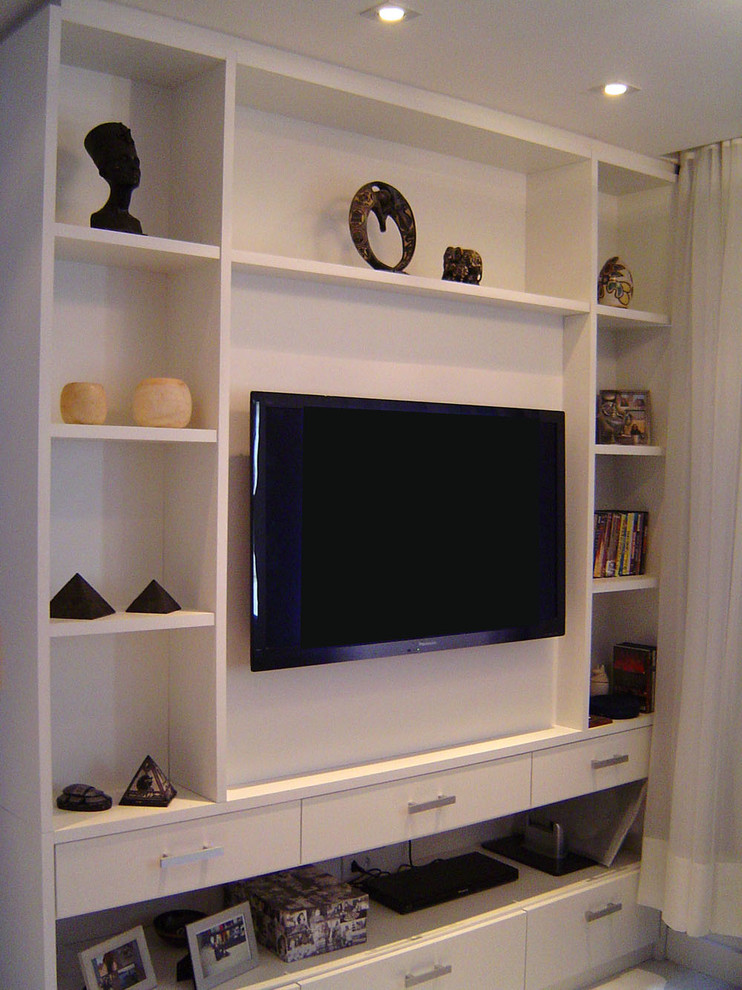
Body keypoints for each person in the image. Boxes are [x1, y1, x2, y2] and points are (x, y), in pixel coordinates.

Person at [84, 121, 143, 234]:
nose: (133, 168)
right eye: (124, 160)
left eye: (136, 162)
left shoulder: (135, 224)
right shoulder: (99, 219)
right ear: (104, 171)